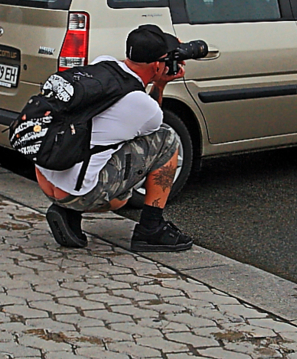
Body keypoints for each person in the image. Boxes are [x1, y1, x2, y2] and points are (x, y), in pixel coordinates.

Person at [37, 25, 193, 252]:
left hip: (45, 175)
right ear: (157, 65)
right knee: (166, 139)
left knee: (102, 140)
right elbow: (151, 127)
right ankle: (151, 228)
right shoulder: (143, 105)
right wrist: (160, 84)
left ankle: (68, 212)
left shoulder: (102, 63)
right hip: (79, 192)